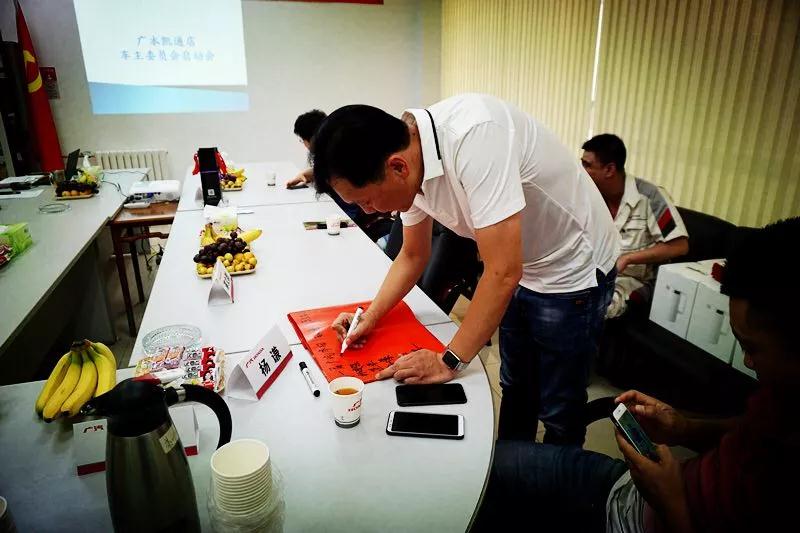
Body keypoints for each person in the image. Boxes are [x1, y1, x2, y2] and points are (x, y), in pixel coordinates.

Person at [311, 94, 620, 445]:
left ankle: (559, 474)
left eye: (366, 200)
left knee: (558, 408)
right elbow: (412, 255)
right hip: (522, 264)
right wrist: (370, 315)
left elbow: (502, 272)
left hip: (573, 267)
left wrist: (448, 361)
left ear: (398, 168)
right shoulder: (407, 161)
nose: (367, 211)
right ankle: (514, 466)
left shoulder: (476, 137)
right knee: (516, 386)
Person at [472, 216, 800, 533]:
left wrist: (670, 500)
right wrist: (683, 428)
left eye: (752, 347)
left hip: (646, 511)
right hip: (628, 490)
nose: (747, 361)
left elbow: (679, 245)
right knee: (483, 469)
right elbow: (747, 432)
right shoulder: (779, 400)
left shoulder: (648, 202)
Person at [581, 134, 689, 318]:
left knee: (595, 310)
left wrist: (628, 258)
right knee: (562, 299)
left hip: (634, 280)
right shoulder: (592, 196)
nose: (581, 170)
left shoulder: (650, 196)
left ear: (609, 169)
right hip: (597, 273)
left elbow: (679, 246)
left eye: (587, 165)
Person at [287, 110, 393, 242]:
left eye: (302, 140)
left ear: (311, 139)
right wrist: (309, 174)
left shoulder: (335, 156)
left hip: (350, 218)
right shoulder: (337, 151)